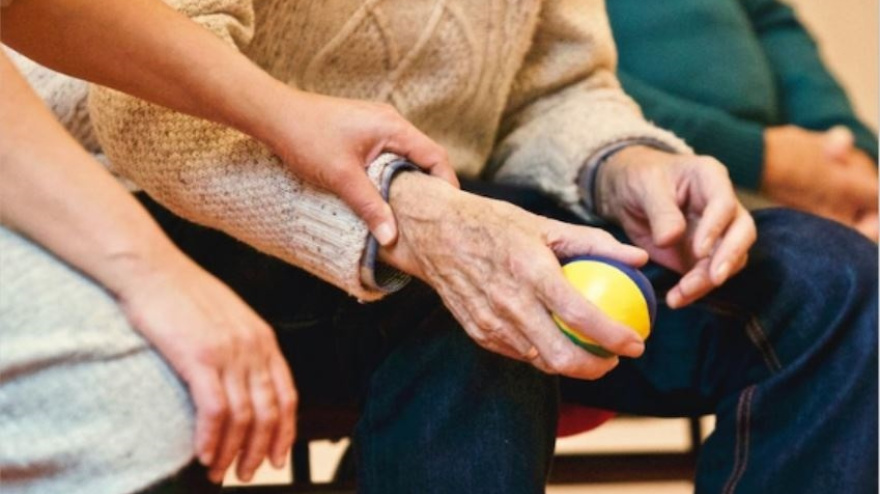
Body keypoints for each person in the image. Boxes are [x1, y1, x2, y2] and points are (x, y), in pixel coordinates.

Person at [23, 0, 879, 492]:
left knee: (829, 282)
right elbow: (144, 108)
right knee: (483, 304)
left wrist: (627, 164)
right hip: (185, 210)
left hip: (463, 207)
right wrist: (418, 220)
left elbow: (556, 88)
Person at [0, 0, 456, 491]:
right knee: (126, 401)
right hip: (100, 183)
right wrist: (154, 273)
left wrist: (288, 114)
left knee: (465, 304)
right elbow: (132, 113)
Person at [606, 0, 879, 239]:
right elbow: (588, 89)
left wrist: (849, 150)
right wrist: (761, 158)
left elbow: (771, 21)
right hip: (656, 194)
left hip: (810, 182)